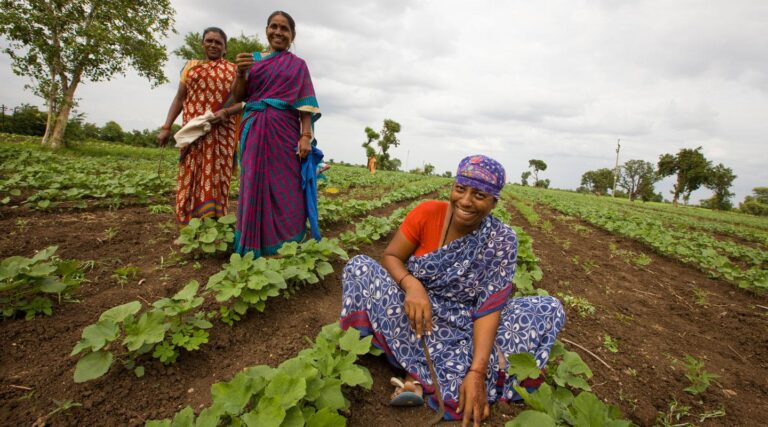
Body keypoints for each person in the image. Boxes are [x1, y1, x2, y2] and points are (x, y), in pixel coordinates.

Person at [340, 155, 565, 426]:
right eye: (460, 189)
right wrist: (412, 285)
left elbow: (489, 307)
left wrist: (478, 372)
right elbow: (391, 256)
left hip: (468, 321)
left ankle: (419, 374)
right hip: (414, 314)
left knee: (548, 307)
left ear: (494, 201)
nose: (466, 201)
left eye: (479, 195)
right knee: (359, 267)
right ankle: (427, 371)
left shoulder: (502, 240)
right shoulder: (426, 213)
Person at [231, 11, 321, 256]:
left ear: (292, 36)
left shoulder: (298, 66)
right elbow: (239, 97)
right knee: (252, 184)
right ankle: (253, 243)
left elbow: (305, 104)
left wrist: (305, 136)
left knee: (288, 187)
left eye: (285, 29)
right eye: (274, 27)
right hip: (254, 128)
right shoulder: (253, 60)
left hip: (284, 131)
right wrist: (240, 74)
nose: (278, 32)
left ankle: (286, 241)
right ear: (266, 29)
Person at [157, 27, 243, 225]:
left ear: (225, 48)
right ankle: (188, 219)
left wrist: (225, 113)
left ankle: (214, 218)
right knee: (191, 171)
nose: (213, 45)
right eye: (209, 41)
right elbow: (179, 98)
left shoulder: (234, 71)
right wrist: (166, 127)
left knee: (218, 174)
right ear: (203, 43)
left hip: (222, 132)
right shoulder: (191, 67)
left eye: (218, 42)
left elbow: (243, 101)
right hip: (194, 132)